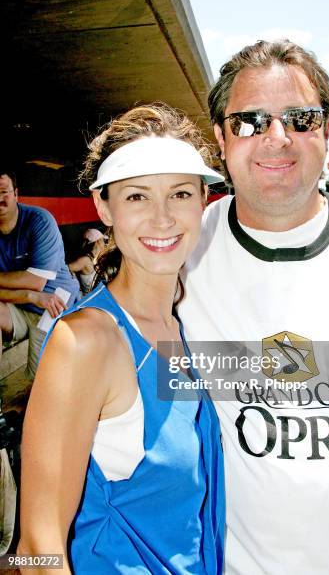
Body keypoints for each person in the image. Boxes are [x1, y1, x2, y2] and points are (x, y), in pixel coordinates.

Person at [179, 39, 329, 574]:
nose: (276, 138)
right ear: (221, 138)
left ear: (326, 129)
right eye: (250, 121)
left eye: (300, 118)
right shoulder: (178, 255)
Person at [18, 104, 225, 574]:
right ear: (104, 207)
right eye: (136, 197)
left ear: (202, 202)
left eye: (179, 194)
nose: (162, 218)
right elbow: (37, 547)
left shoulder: (178, 325)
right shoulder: (87, 341)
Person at [0, 171, 80, 378]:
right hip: (20, 303)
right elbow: (32, 291)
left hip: (53, 304)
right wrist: (29, 296)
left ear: (16, 194)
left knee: (42, 383)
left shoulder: (39, 219)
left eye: (3, 192)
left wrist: (32, 294)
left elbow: (35, 282)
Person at [68, 228, 107, 295]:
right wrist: (75, 286)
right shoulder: (85, 260)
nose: (105, 244)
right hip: (90, 301)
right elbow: (65, 269)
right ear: (98, 241)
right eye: (103, 240)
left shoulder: (95, 259)